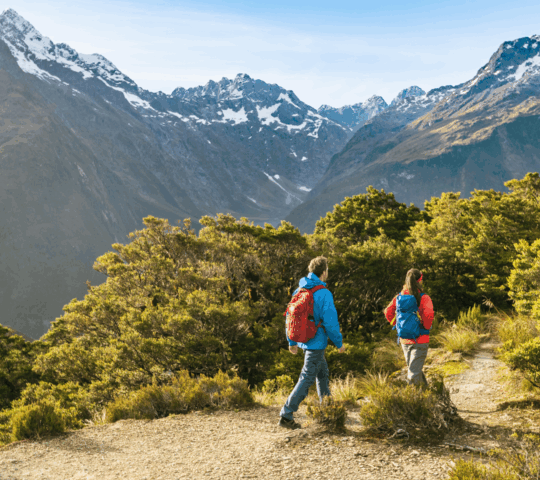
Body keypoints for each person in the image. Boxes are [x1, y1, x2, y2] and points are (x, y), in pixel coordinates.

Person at [278, 256, 346, 429]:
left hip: (304, 340)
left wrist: (291, 341)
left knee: (322, 372)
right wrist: (339, 343)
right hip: (316, 342)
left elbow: (290, 316)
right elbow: (330, 322)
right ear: (324, 272)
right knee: (307, 376)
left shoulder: (299, 289)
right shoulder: (324, 293)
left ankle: (327, 407)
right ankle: (286, 414)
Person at [384, 268, 434, 386]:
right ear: (420, 280)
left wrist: (398, 325)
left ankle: (429, 397)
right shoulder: (424, 297)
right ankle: (417, 401)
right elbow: (428, 315)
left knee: (414, 370)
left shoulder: (399, 297)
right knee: (414, 373)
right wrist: (424, 328)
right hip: (420, 340)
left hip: (404, 340)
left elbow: (387, 312)